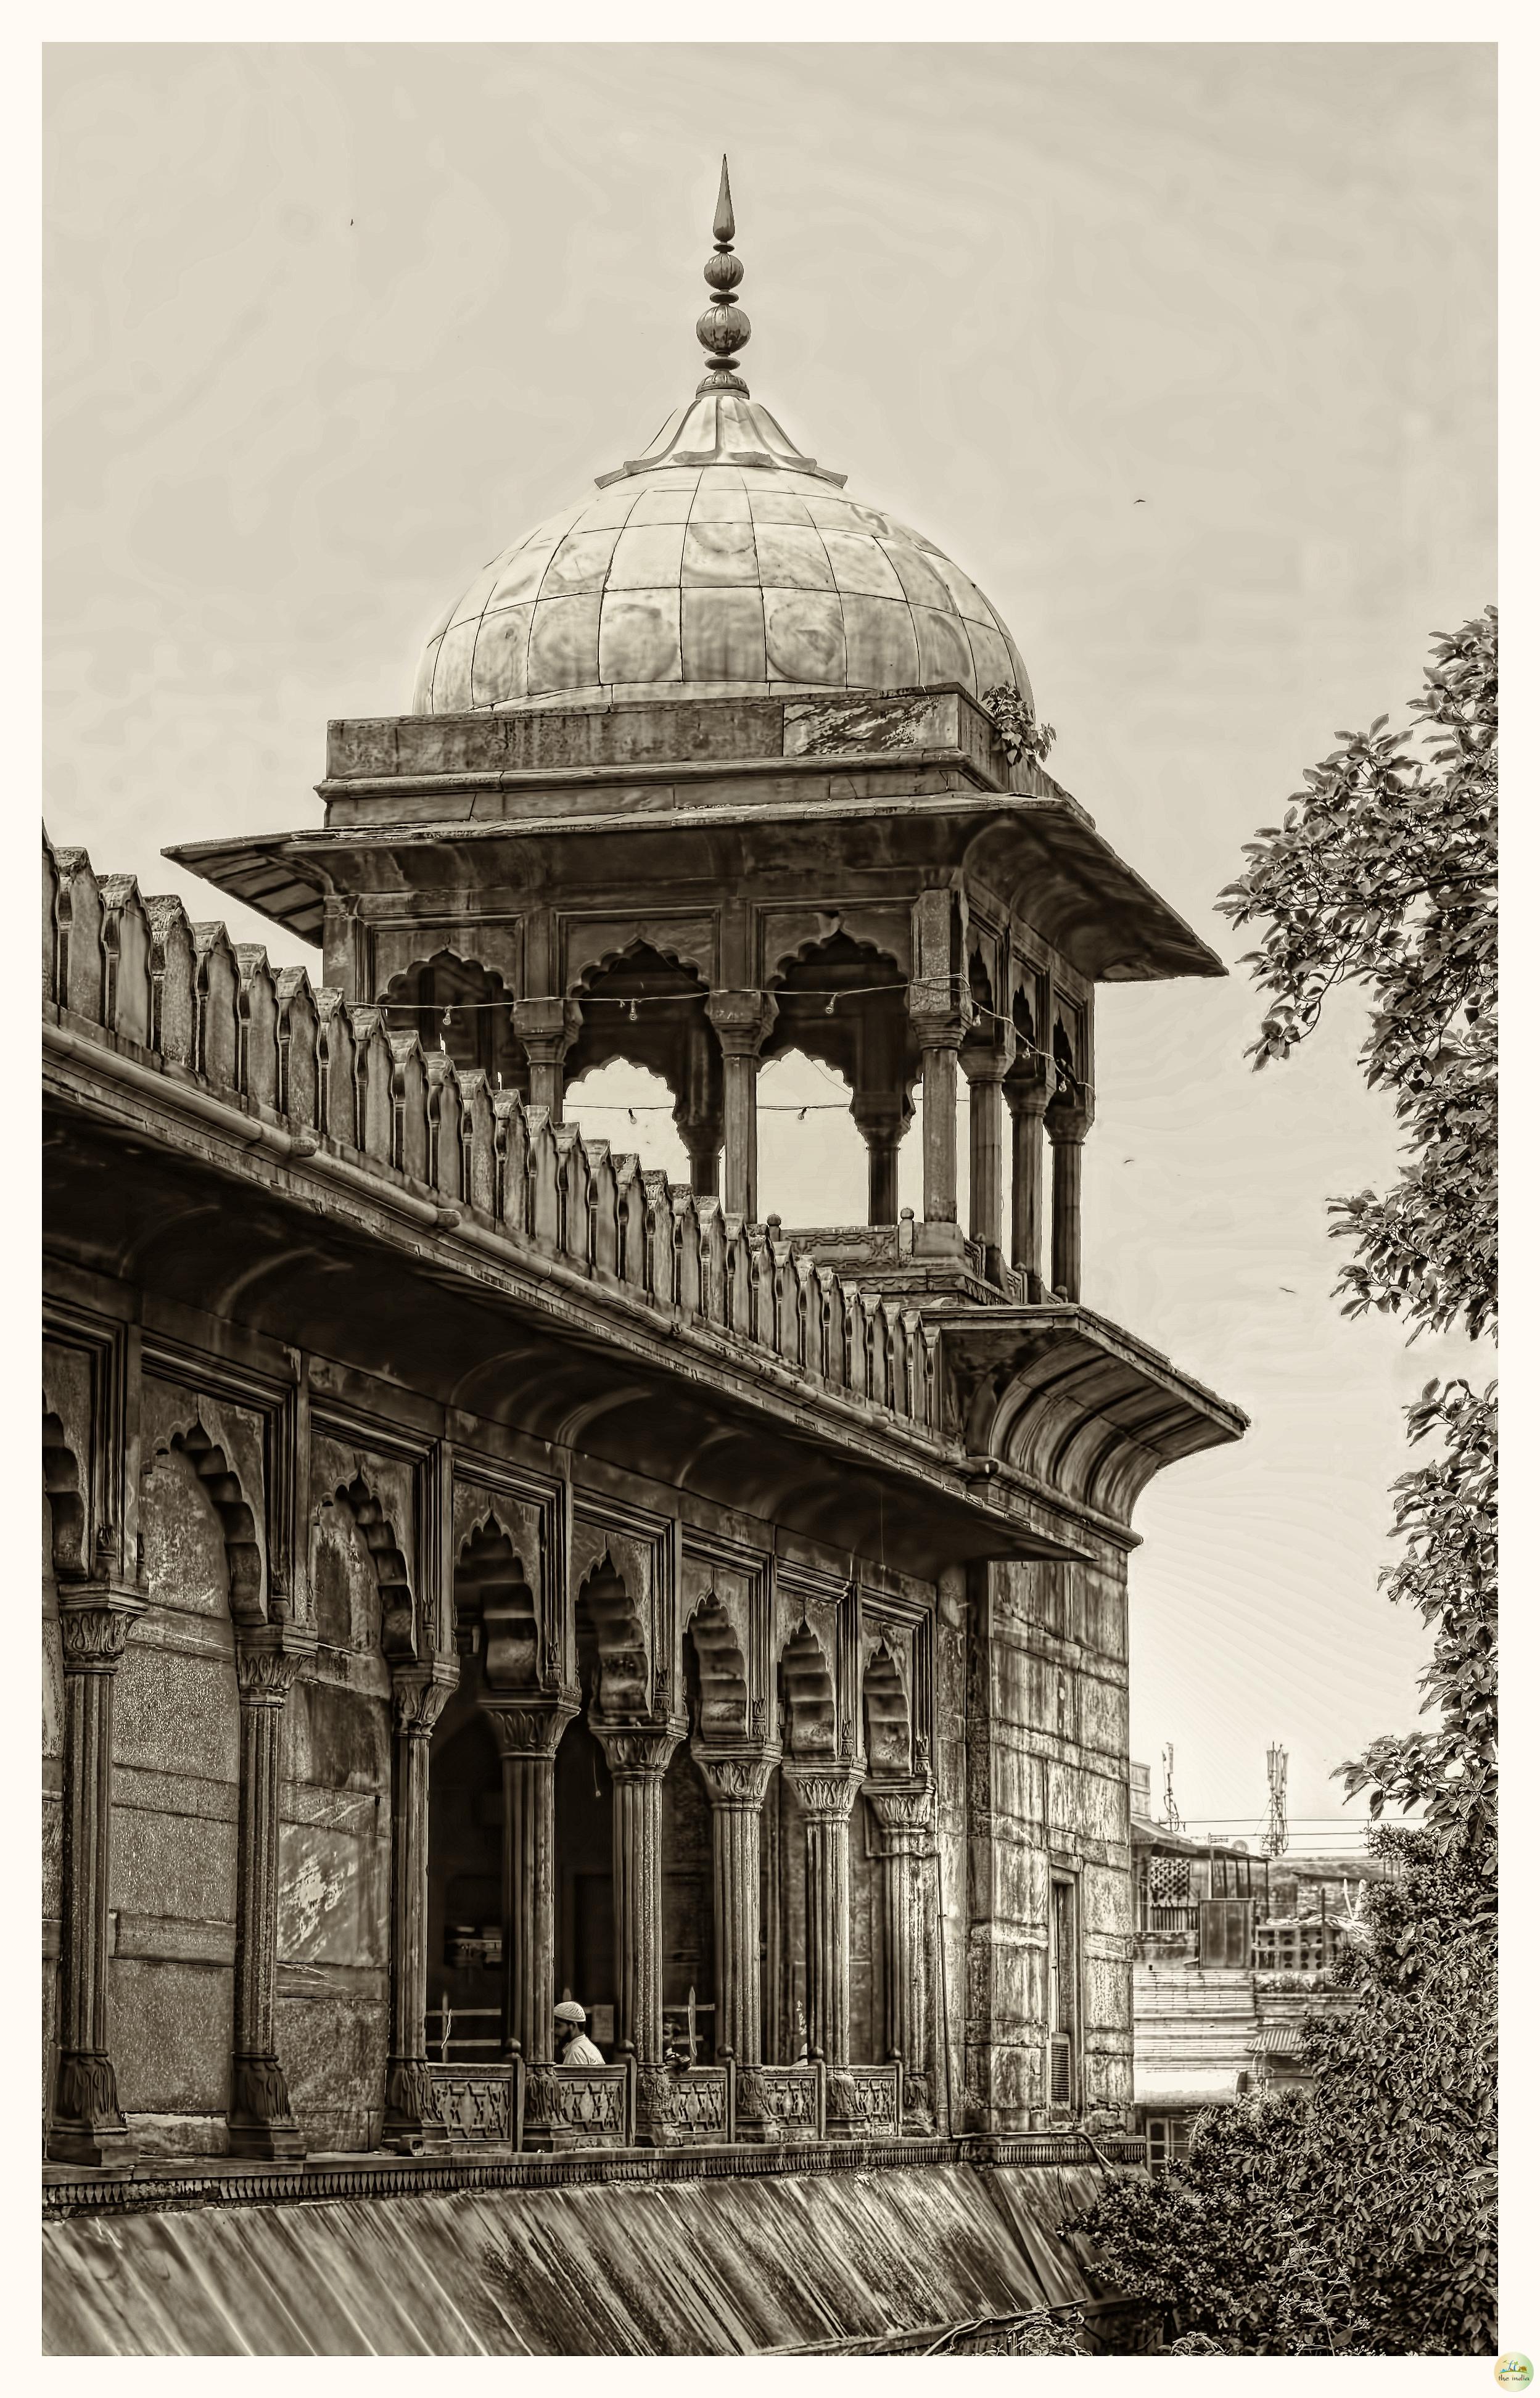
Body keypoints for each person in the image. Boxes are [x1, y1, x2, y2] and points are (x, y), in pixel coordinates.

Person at [554, 1999, 605, 2066]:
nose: (555, 2031)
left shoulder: (576, 2052)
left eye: (558, 2026)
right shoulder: (586, 2047)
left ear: (573, 2026)